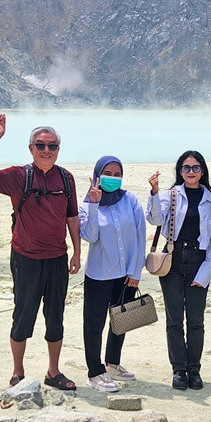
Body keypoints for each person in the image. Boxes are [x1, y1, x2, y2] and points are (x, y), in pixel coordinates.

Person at [0, 114, 81, 391]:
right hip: (26, 259)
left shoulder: (66, 178)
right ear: (31, 148)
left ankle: (53, 372)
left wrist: (77, 252)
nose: (46, 150)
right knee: (23, 314)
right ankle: (17, 372)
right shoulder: (19, 176)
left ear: (58, 149)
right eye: (40, 145)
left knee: (55, 316)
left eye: (52, 146)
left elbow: (72, 218)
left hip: (57, 259)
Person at [147, 151, 211, 391]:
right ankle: (179, 370)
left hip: (198, 262)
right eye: (186, 167)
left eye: (195, 167)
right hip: (172, 259)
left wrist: (204, 275)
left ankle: (194, 370)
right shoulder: (169, 195)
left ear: (203, 171)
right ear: (179, 171)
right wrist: (153, 192)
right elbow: (154, 219)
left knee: (196, 320)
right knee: (174, 319)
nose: (191, 172)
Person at [77, 156, 146, 392]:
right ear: (97, 175)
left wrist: (135, 271)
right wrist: (94, 204)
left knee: (121, 320)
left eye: (118, 175)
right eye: (108, 173)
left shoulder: (130, 200)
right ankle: (95, 372)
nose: (113, 178)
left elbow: (140, 236)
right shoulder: (86, 205)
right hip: (99, 274)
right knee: (94, 324)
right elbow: (90, 236)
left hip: (125, 274)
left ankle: (113, 363)